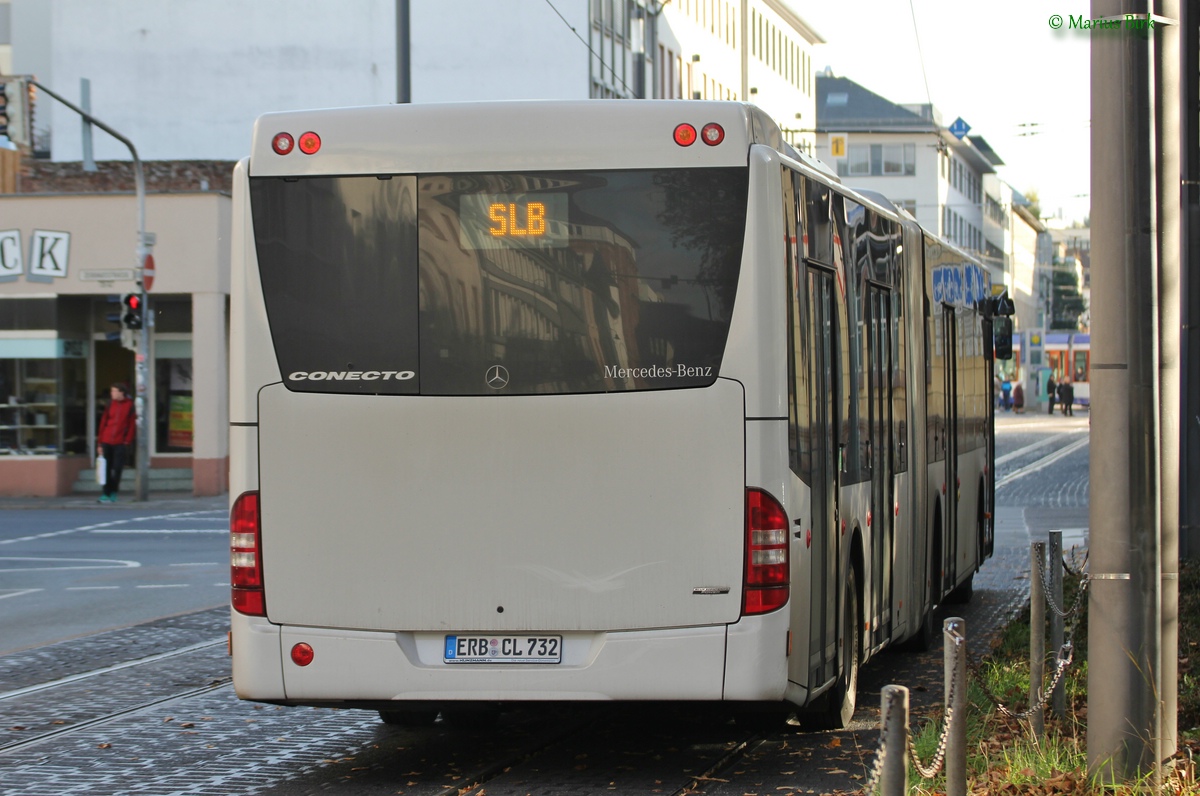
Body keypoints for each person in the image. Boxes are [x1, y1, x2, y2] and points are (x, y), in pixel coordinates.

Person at [97, 382, 136, 503]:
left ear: (121, 392)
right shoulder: (110, 404)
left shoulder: (129, 405)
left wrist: (127, 441)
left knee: (118, 468)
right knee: (106, 468)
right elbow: (103, 422)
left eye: (114, 391)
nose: (112, 393)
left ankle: (114, 491)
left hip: (120, 442)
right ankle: (106, 493)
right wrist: (100, 442)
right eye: (111, 391)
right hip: (107, 440)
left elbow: (131, 424)